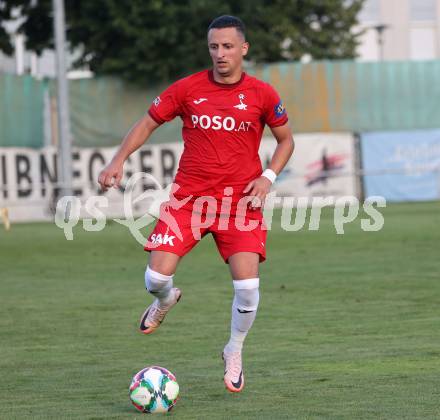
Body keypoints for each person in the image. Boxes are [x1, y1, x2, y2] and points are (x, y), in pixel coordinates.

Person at [98, 15, 294, 393]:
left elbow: (286, 140)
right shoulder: (187, 89)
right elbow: (147, 123)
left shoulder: (263, 94)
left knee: (249, 287)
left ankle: (233, 350)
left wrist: (268, 177)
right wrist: (117, 159)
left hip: (240, 204)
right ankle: (167, 300)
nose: (220, 54)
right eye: (214, 47)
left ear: (243, 49)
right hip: (189, 200)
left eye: (227, 47)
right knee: (155, 278)